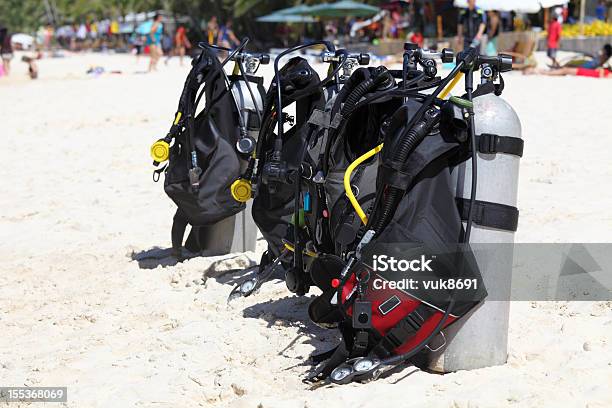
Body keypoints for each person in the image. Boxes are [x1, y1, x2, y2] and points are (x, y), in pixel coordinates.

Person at [525, 44, 612, 78]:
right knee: (563, 69)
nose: (601, 51)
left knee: (564, 69)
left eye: (603, 50)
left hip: (584, 68)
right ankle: (540, 71)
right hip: (585, 66)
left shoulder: (602, 59)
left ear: (605, 52)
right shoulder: (601, 59)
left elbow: (593, 67)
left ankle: (540, 71)